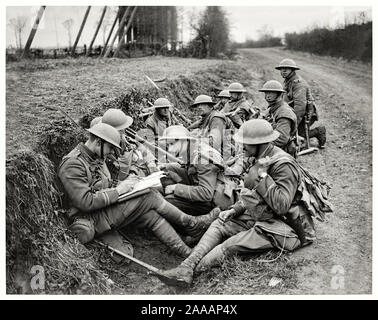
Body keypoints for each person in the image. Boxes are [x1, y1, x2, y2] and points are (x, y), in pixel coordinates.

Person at [155, 119, 320, 287]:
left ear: (260, 144)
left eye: (246, 144)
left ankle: (191, 274)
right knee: (220, 223)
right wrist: (234, 210)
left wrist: (263, 176)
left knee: (228, 247)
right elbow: (253, 195)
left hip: (285, 226)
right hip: (263, 216)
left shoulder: (283, 165)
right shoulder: (260, 157)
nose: (242, 148)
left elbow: (282, 206)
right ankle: (186, 267)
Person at [58, 123, 219, 260]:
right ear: (99, 142)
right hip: (91, 217)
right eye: (110, 148)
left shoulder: (93, 157)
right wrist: (119, 190)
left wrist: (126, 184)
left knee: (149, 214)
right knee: (148, 196)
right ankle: (192, 223)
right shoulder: (73, 164)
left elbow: (103, 184)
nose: (111, 153)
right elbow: (86, 202)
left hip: (102, 209)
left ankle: (186, 252)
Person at [159, 125, 237, 217]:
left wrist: (176, 188)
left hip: (217, 201)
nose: (170, 149)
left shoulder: (202, 158)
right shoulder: (192, 150)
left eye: (172, 144)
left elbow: (206, 194)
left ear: (185, 141)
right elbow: (190, 170)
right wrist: (167, 167)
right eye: (168, 145)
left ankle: (193, 227)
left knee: (169, 201)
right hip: (209, 188)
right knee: (169, 170)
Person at [91, 109, 158, 180]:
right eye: (119, 130)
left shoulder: (125, 140)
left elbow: (141, 149)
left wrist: (151, 163)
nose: (123, 132)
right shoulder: (102, 148)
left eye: (123, 129)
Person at [275, 58, 326, 148]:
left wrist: (294, 124)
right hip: (294, 111)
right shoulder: (288, 81)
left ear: (293, 70)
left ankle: (319, 131)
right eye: (282, 68)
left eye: (287, 68)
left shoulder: (298, 84)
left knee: (297, 135)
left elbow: (300, 107)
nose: (284, 71)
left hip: (305, 113)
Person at [260, 80, 298, 157]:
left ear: (279, 94)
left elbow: (281, 139)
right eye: (266, 93)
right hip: (272, 148)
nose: (267, 96)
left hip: (282, 153)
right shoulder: (271, 109)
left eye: (271, 93)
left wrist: (258, 145)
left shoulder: (284, 113)